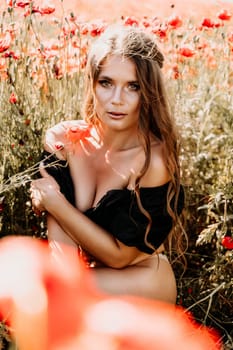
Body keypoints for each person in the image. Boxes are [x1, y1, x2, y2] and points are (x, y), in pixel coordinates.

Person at [30, 24, 186, 303]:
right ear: (92, 83)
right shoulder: (67, 143)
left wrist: (55, 203)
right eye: (106, 83)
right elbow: (60, 247)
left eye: (133, 86)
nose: (116, 100)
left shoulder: (152, 161)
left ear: (148, 92)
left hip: (143, 282)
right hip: (88, 281)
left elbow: (118, 256)